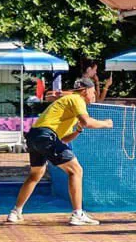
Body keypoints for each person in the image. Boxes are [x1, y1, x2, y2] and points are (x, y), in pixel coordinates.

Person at [7, 78, 113, 225]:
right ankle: (78, 214)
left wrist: (77, 131)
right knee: (76, 171)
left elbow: (63, 139)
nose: (94, 96)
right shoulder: (77, 99)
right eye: (93, 92)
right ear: (85, 91)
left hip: (35, 136)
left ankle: (15, 212)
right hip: (46, 136)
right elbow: (87, 122)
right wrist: (106, 123)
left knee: (35, 175)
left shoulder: (68, 105)